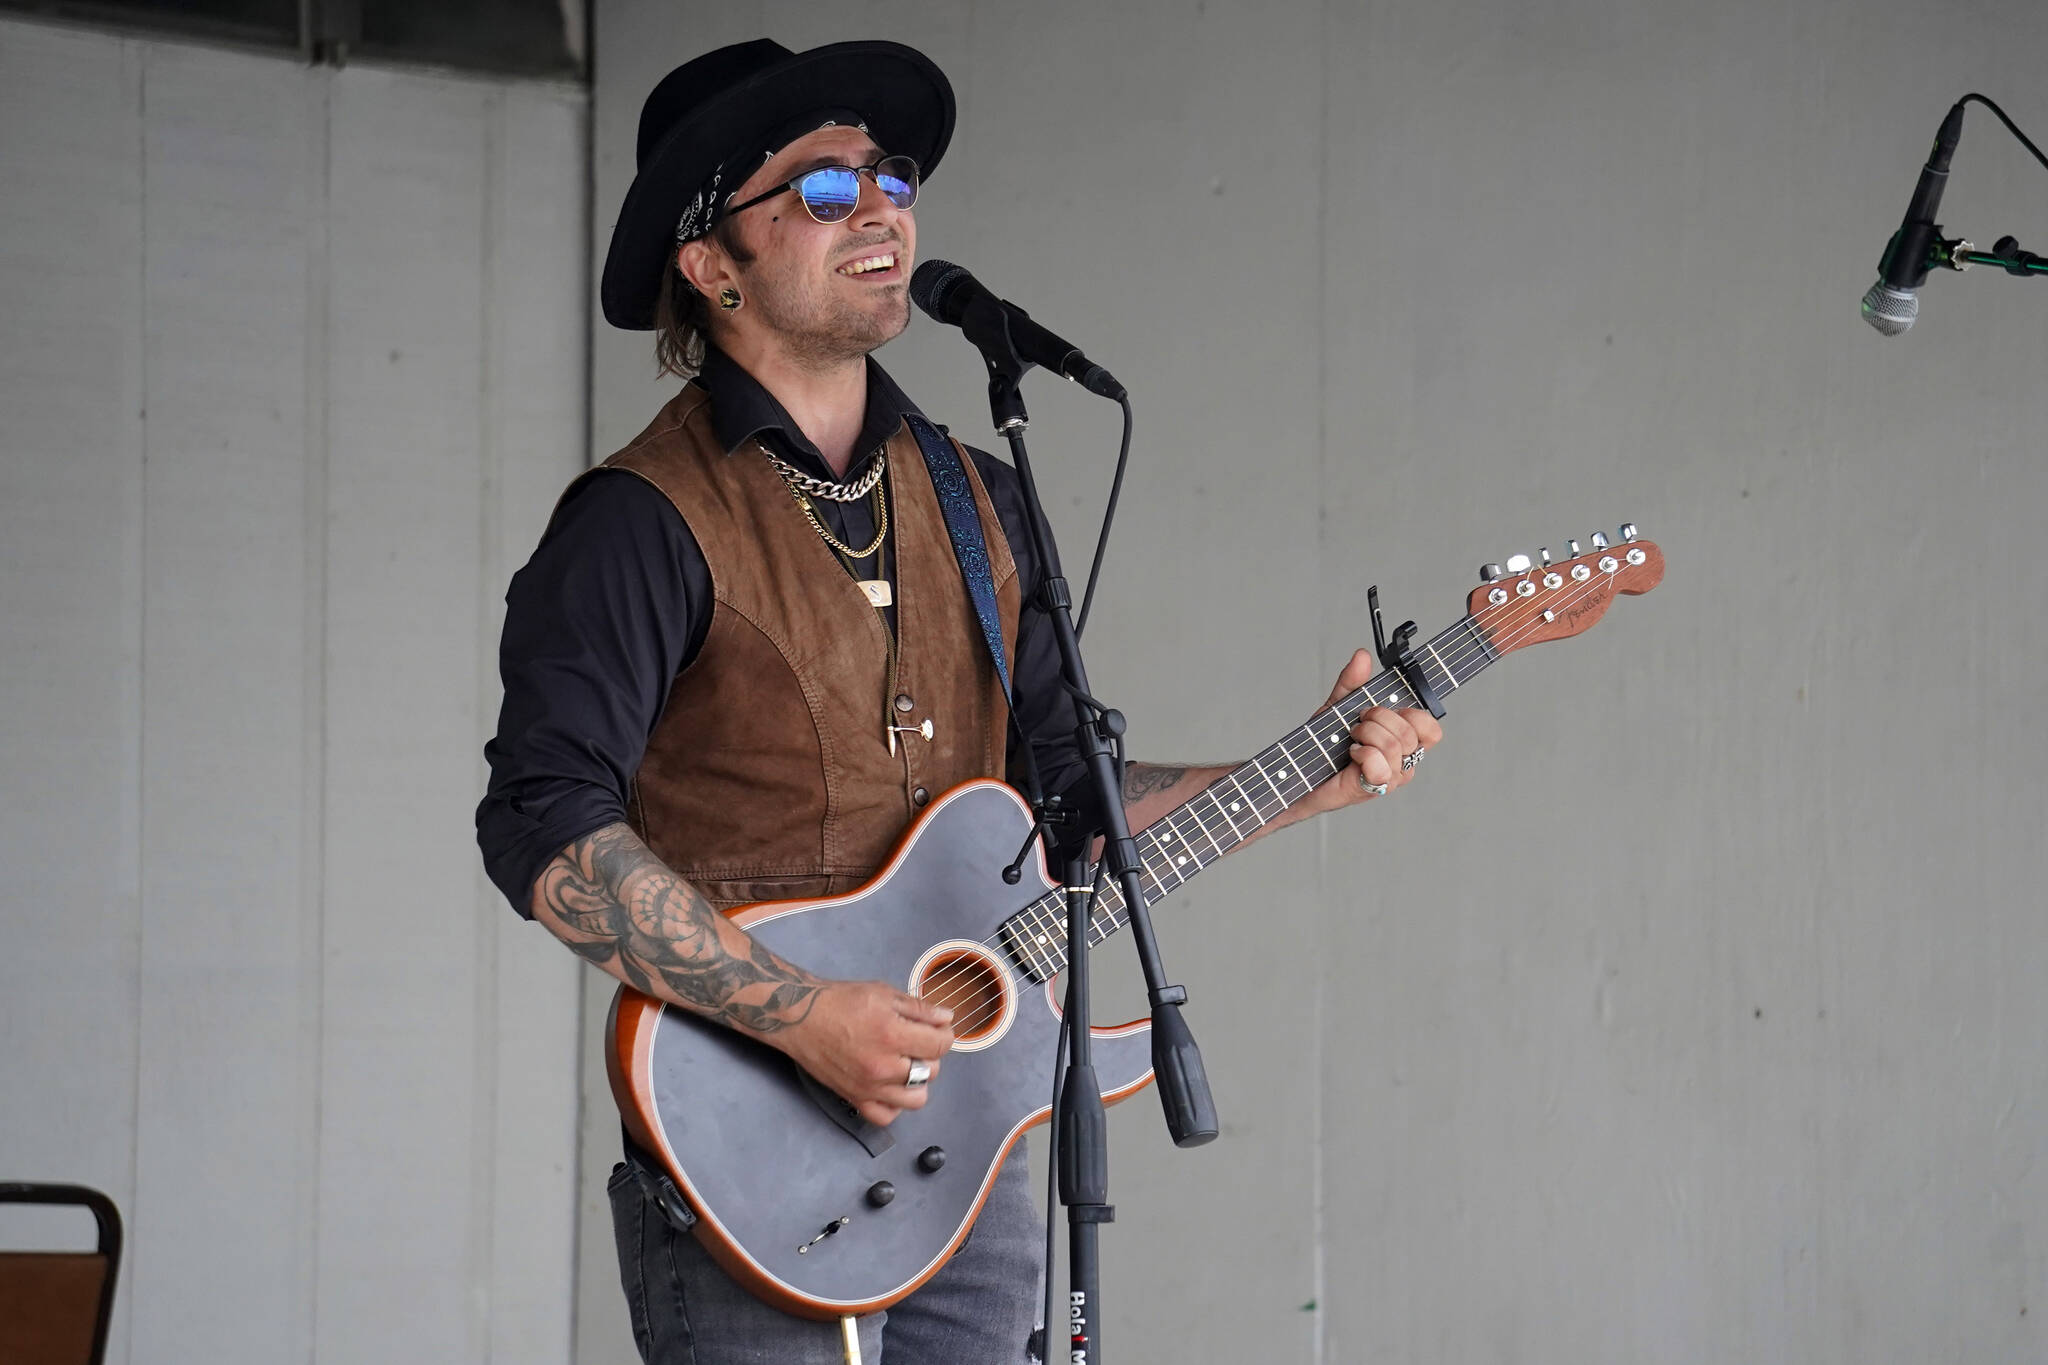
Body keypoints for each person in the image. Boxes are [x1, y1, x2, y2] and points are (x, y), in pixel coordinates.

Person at [476, 37, 1443, 1365]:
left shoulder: (982, 498)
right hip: (738, 1146)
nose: (878, 205)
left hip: (967, 1135)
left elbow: (1071, 817)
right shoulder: (641, 524)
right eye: (821, 189)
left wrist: (1307, 775)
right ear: (711, 264)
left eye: (891, 173)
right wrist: (801, 1011)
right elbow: (542, 821)